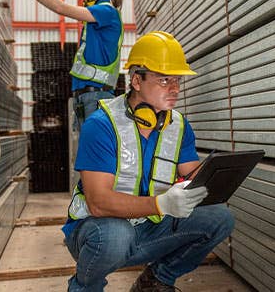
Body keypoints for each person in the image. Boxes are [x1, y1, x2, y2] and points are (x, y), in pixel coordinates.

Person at [62, 31, 235, 292]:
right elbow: (98, 203)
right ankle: (85, 286)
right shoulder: (102, 124)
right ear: (136, 80)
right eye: (164, 80)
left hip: (148, 227)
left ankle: (156, 281)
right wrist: (162, 203)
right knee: (115, 236)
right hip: (97, 231)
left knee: (219, 217)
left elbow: (194, 175)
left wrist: (218, 177)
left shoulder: (177, 125)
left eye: (177, 80)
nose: (174, 89)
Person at [32, 0, 123, 127]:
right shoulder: (98, 16)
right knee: (88, 145)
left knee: (94, 146)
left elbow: (60, 7)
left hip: (95, 96)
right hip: (87, 95)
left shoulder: (106, 12)